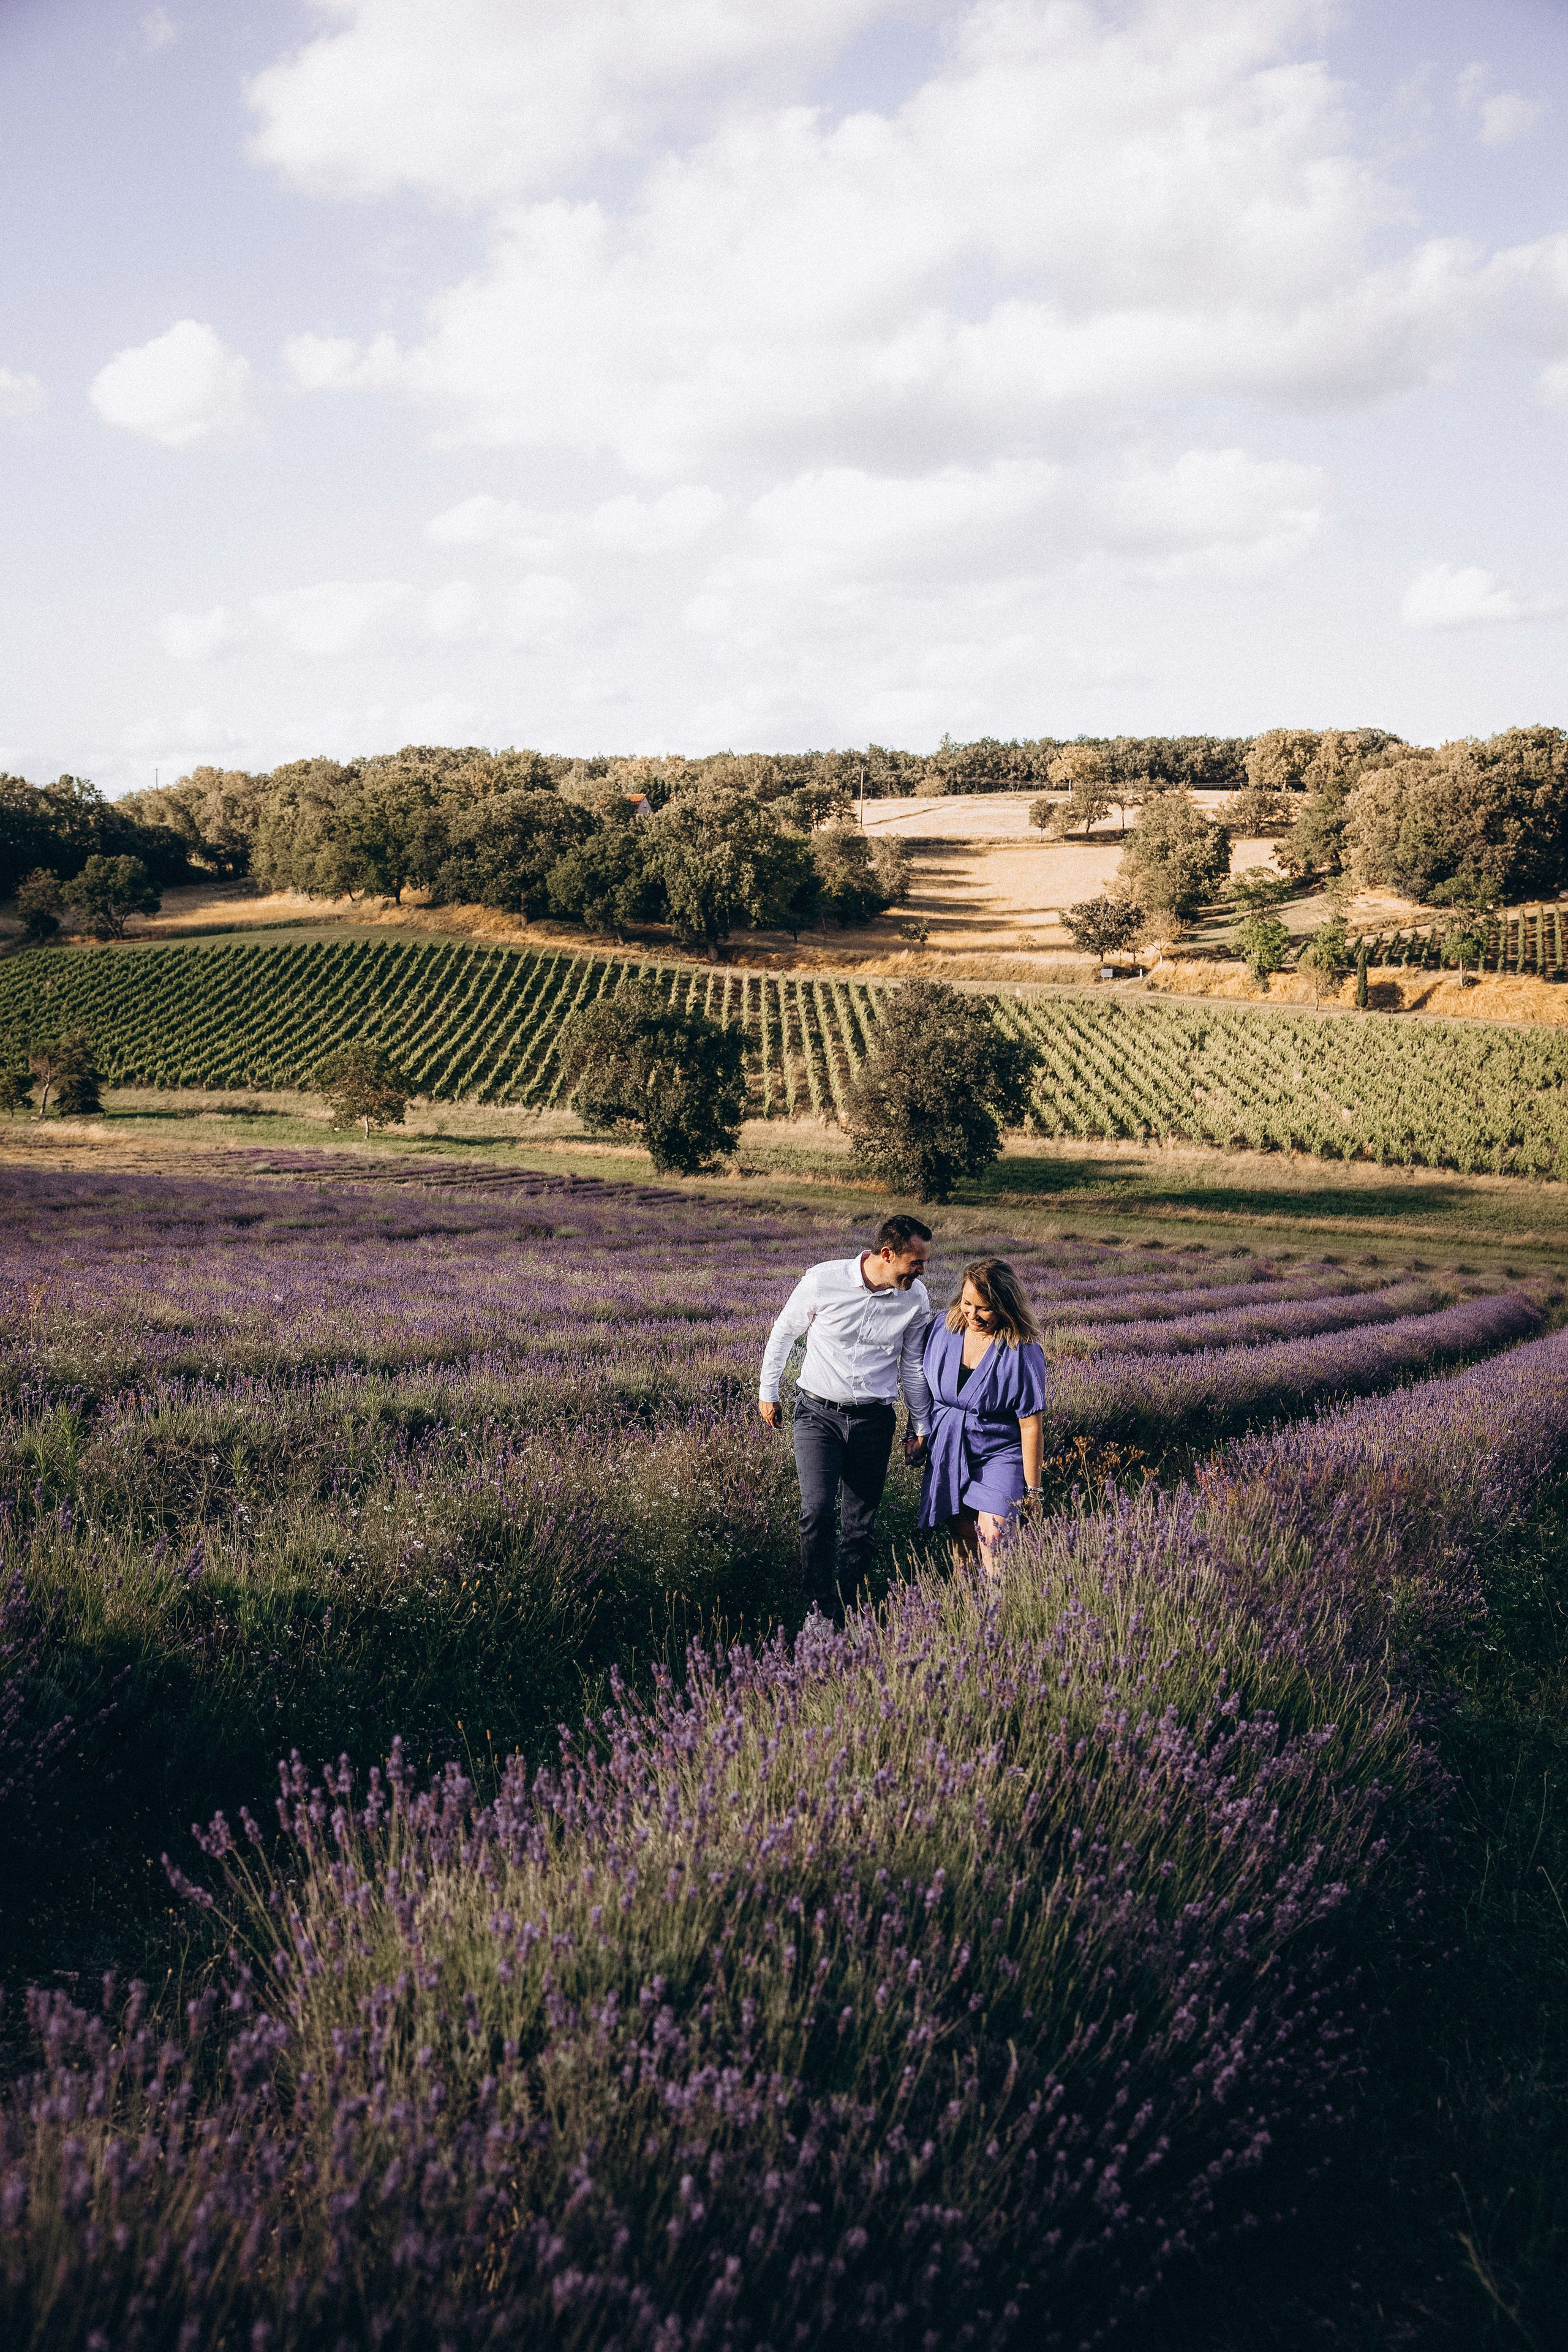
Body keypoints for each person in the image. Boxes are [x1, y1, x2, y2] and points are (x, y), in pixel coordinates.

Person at [759, 1213, 934, 1621]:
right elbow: (784, 1332)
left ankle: (847, 1608)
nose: (923, 1271)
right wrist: (768, 1392)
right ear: (887, 1254)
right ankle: (818, 1610)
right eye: (917, 1262)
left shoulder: (915, 1297)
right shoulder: (824, 1280)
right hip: (818, 1414)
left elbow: (912, 1366)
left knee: (860, 1526)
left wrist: (920, 1424)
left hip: (874, 1421)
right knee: (817, 1511)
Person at [919, 1257, 1047, 1578]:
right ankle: (970, 1614)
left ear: (1005, 1307)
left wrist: (1033, 1491)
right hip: (949, 1448)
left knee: (995, 1538)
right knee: (962, 1538)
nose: (973, 1315)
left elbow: (1031, 1424)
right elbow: (921, 1388)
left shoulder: (1021, 1350)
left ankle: (999, 1612)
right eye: (967, 1304)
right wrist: (916, 1432)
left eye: (985, 1309)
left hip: (999, 1454)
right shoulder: (943, 1328)